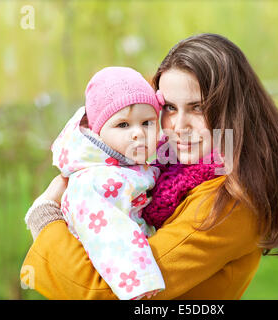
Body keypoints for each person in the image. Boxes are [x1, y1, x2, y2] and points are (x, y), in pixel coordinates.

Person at [20, 33, 278, 300]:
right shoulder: (164, 170)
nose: (178, 126)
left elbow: (105, 291)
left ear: (233, 111)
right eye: (170, 108)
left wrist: (46, 216)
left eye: (198, 107)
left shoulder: (229, 202)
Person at [25, 66, 171, 299]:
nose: (138, 133)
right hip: (120, 277)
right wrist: (138, 282)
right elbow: (110, 233)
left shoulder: (128, 166)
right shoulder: (94, 182)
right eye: (123, 125)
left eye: (147, 123)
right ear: (98, 131)